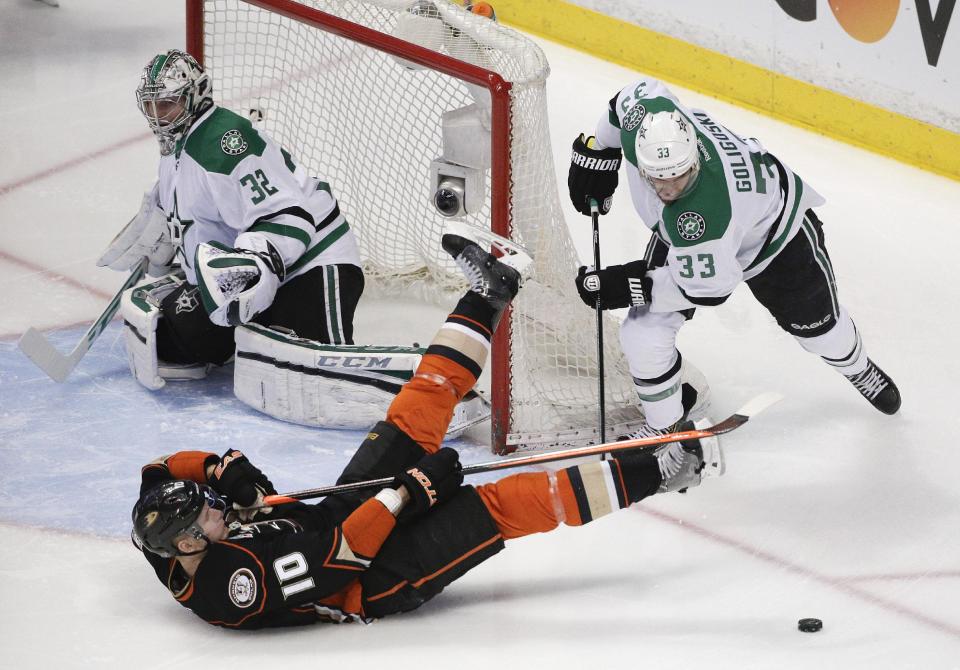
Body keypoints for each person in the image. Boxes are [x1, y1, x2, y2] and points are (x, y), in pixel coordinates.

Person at [131, 233, 724, 628]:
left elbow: (158, 471)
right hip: (374, 578)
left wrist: (218, 470)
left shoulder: (166, 538)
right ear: (192, 547)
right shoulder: (236, 585)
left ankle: (491, 291)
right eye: (207, 515)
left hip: (334, 519)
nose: (215, 511)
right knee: (506, 503)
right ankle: (665, 471)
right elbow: (344, 554)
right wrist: (409, 490)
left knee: (416, 410)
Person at [567, 76, 900, 436]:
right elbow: (625, 102)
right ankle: (664, 430)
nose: (668, 190)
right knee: (643, 333)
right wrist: (600, 149)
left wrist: (629, 285)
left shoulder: (702, 218)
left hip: (775, 238)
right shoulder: (650, 118)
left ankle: (857, 367)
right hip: (696, 238)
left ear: (693, 157)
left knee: (821, 332)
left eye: (678, 177)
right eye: (656, 179)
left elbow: (708, 289)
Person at [98, 49, 363, 388]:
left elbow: (289, 217)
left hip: (312, 263)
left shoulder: (225, 144)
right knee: (173, 340)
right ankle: (256, 320)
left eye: (166, 104)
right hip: (257, 273)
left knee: (317, 373)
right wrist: (169, 236)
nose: (157, 117)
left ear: (196, 96)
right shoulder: (176, 144)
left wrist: (252, 264)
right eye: (150, 106)